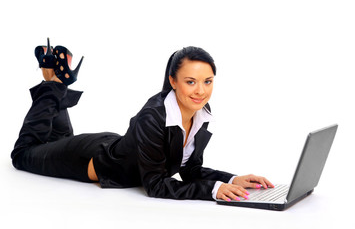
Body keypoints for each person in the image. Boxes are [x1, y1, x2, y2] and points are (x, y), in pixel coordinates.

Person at [11, 38, 274, 202]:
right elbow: (155, 185)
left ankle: (55, 81)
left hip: (116, 146)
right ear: (173, 81)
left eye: (208, 81)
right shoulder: (154, 115)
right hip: (85, 159)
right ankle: (53, 80)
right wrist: (212, 191)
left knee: (57, 138)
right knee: (23, 154)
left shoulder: (200, 114)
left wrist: (232, 180)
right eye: (191, 82)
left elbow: (189, 171)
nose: (201, 91)